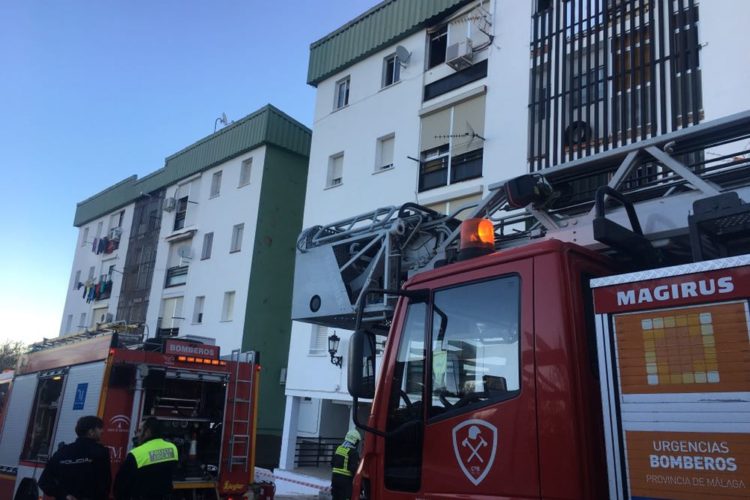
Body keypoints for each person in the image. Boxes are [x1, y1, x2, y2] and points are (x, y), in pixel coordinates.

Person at [38, 415, 111, 500]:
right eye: (100, 428)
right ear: (91, 432)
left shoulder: (62, 452)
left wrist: (64, 495)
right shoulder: (101, 453)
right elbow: (105, 485)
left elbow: (44, 482)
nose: (102, 431)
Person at [114, 417, 178, 500]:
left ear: (148, 432)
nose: (137, 435)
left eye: (140, 431)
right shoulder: (173, 448)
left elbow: (120, 486)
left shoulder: (136, 453)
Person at [330, 429, 361, 500]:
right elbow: (353, 468)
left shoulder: (338, 448)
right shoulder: (353, 452)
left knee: (335, 498)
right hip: (345, 482)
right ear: (355, 441)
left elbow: (332, 463)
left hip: (334, 479)